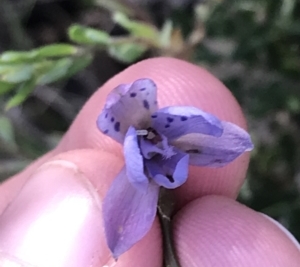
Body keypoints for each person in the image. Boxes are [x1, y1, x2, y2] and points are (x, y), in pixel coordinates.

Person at [0, 57, 299, 267]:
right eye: (150, 141)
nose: (160, 146)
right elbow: (120, 233)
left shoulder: (177, 144)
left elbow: (232, 142)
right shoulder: (134, 183)